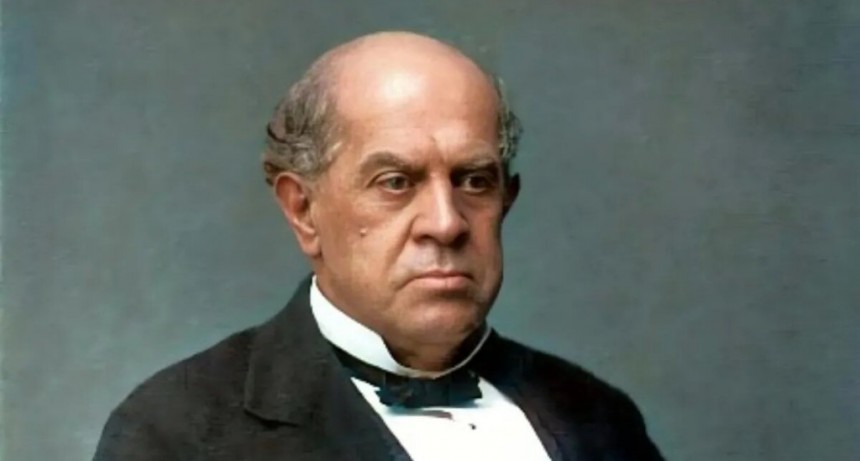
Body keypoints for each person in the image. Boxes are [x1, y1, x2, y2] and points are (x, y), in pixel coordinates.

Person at [93, 31, 664, 461]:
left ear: (506, 200)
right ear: (303, 210)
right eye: (395, 182)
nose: (445, 223)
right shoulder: (177, 434)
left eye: (473, 181)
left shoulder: (598, 418)